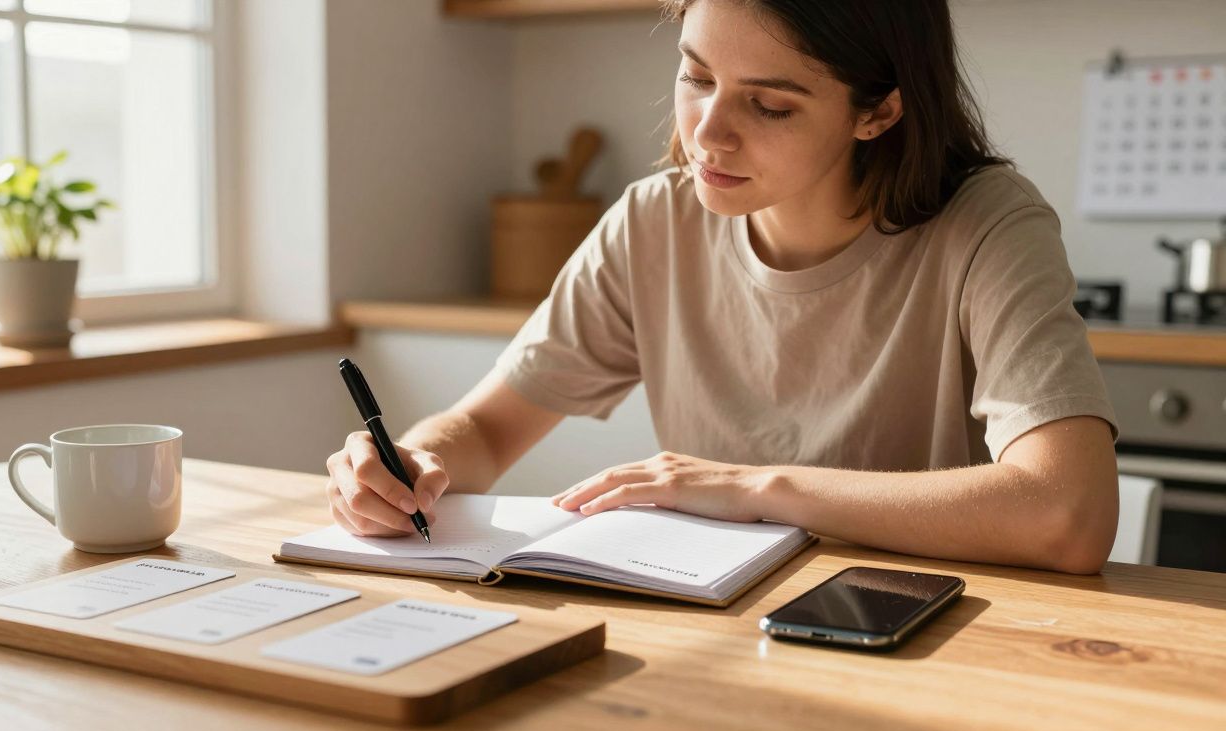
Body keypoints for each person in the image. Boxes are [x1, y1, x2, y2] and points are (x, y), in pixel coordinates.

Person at [325, 0, 1120, 574]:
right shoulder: (653, 221)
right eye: (695, 76)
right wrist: (409, 463)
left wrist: (754, 488)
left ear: (877, 112)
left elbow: (1067, 513)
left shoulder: (986, 224)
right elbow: (489, 431)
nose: (706, 132)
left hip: (909, 630)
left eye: (769, 105)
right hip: (716, 626)